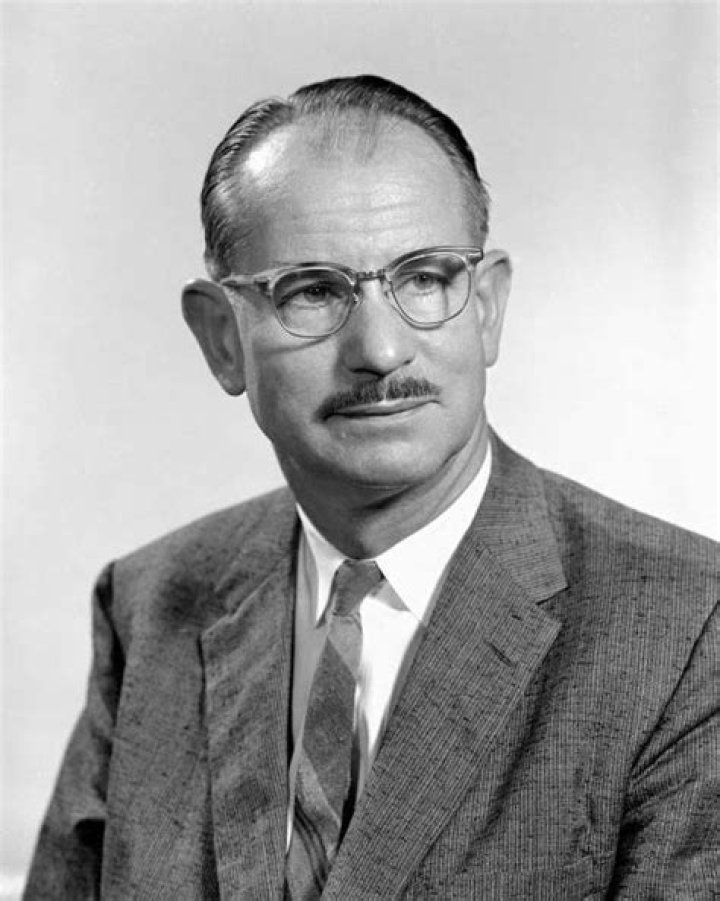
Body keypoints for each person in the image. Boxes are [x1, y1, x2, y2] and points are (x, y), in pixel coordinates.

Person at [24, 75, 718, 900]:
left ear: (486, 308)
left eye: (424, 278)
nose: (381, 351)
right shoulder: (149, 603)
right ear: (221, 339)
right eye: (314, 291)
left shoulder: (688, 629)